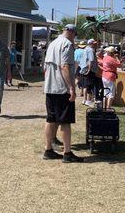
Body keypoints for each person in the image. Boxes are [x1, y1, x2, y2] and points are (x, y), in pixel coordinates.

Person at [42, 24, 83, 163]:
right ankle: (67, 153)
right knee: (65, 121)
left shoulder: (52, 43)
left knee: (51, 119)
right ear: (72, 33)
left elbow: (45, 68)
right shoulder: (67, 44)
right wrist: (71, 87)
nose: (75, 38)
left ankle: (48, 150)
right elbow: (64, 66)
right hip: (61, 88)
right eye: (75, 35)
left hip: (50, 87)